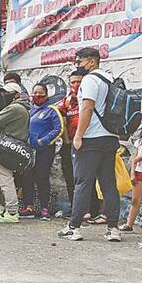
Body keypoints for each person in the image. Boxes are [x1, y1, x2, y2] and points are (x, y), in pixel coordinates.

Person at [58, 47, 123, 242]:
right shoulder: (110, 79)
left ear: (92, 61)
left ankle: (74, 227)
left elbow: (87, 107)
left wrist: (78, 136)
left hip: (91, 139)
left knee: (82, 183)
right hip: (110, 137)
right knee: (108, 183)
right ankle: (113, 229)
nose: (77, 65)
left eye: (79, 62)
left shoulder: (90, 80)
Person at [0, 82, 30, 224]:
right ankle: (9, 209)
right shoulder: (23, 108)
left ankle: (12, 211)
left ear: (17, 95)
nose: (4, 95)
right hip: (14, 148)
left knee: (5, 180)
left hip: (6, 148)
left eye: (8, 92)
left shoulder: (14, 108)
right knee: (6, 179)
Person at [25, 83, 65, 221]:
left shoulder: (52, 110)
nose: (37, 95)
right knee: (27, 177)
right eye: (34, 92)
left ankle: (44, 208)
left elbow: (58, 129)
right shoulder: (29, 110)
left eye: (40, 93)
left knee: (42, 178)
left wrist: (43, 141)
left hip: (45, 151)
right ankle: (28, 206)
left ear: (46, 94)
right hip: (29, 151)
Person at [57, 68, 87, 207]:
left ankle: (89, 209)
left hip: (86, 144)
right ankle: (75, 207)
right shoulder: (67, 101)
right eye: (72, 82)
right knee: (70, 178)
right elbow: (58, 115)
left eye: (78, 82)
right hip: (69, 145)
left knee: (86, 178)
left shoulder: (88, 100)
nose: (75, 85)